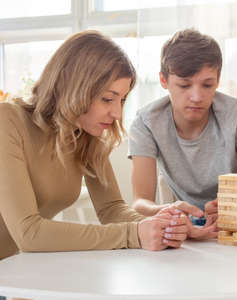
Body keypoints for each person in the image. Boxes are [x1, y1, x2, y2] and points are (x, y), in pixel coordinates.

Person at [0, 30, 190, 262]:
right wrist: (134, 234)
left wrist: (163, 226)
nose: (118, 113)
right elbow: (29, 233)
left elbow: (111, 208)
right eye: (107, 99)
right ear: (74, 88)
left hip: (12, 267)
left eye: (122, 100)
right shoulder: (7, 120)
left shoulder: (85, 135)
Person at [128, 29, 237, 244]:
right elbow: (140, 201)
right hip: (190, 230)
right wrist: (169, 211)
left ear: (218, 80)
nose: (196, 97)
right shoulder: (147, 121)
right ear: (163, 80)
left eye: (207, 85)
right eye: (184, 85)